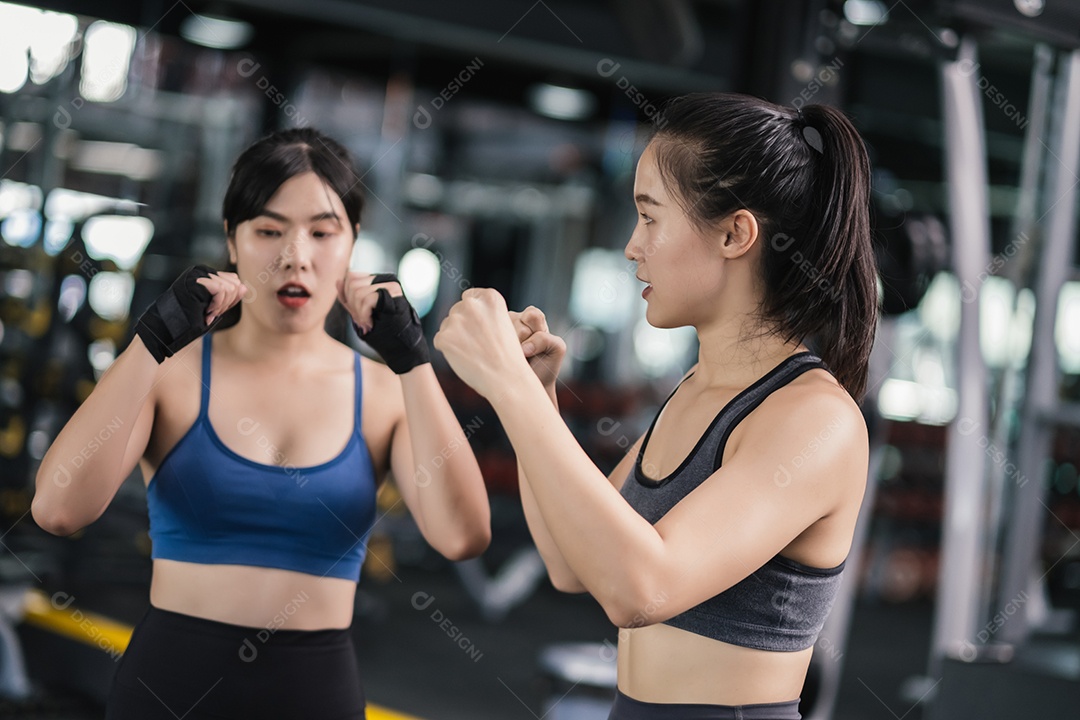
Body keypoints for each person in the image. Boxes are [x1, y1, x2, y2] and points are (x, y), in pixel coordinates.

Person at [434, 93, 878, 720]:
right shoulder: (697, 392)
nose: (631, 247)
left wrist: (506, 384)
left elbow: (642, 589)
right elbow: (570, 563)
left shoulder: (815, 420)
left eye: (650, 217)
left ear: (734, 233)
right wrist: (533, 397)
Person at [32, 127, 491, 719]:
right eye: (269, 230)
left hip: (315, 694)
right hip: (168, 689)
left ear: (352, 244)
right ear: (232, 240)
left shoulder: (386, 393)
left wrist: (412, 362)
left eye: (323, 232)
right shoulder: (170, 376)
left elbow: (462, 536)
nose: (296, 256)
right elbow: (57, 510)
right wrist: (148, 344)